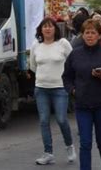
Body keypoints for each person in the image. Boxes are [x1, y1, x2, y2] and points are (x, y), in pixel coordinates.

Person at [62, 19, 101, 170]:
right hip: (83, 105)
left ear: (99, 34)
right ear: (82, 34)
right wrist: (72, 90)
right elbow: (66, 77)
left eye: (93, 32)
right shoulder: (75, 54)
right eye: (86, 32)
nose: (89, 36)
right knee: (85, 143)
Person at [29, 17, 76, 165]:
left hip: (60, 88)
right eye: (45, 27)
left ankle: (69, 146)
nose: (48, 29)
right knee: (44, 121)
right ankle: (48, 153)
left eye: (50, 26)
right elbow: (33, 66)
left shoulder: (63, 44)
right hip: (41, 88)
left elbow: (73, 62)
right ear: (40, 30)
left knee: (61, 119)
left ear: (55, 29)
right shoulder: (36, 45)